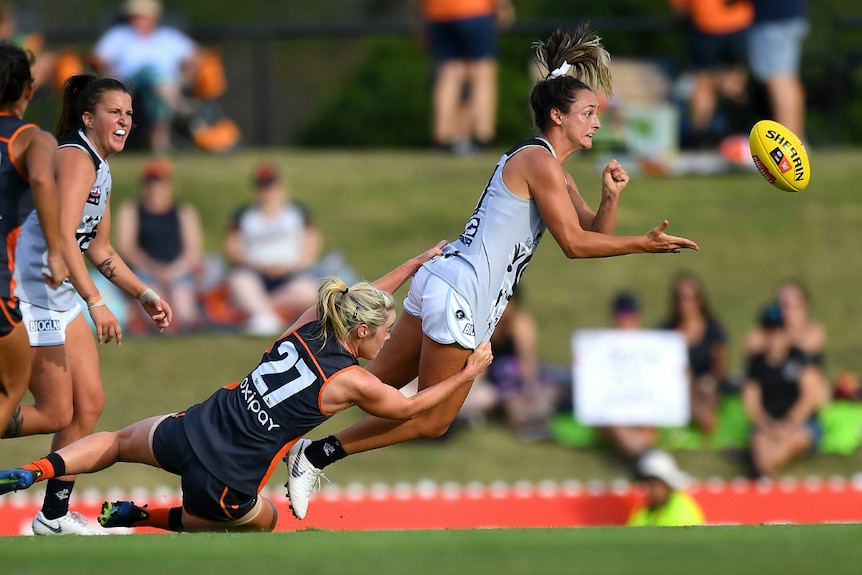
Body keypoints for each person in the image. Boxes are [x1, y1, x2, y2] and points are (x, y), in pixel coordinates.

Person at [284, 25, 699, 521]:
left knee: (369, 386)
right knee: (431, 418)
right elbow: (575, 245)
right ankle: (314, 455)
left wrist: (610, 198)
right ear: (557, 115)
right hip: (462, 296)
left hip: (444, 282)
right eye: (588, 113)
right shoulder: (538, 163)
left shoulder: (551, 169)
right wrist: (644, 244)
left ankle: (273, 432)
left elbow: (592, 230)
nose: (596, 122)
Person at [0, 245, 494, 533]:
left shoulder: (309, 324)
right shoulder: (354, 382)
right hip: (227, 479)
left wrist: (411, 266)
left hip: (194, 427)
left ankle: (33, 470)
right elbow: (412, 408)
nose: (389, 339)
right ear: (360, 333)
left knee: (113, 442)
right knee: (266, 520)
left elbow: (359, 300)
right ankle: (142, 516)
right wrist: (467, 374)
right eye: (385, 331)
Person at [5, 74, 173, 536]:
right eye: (115, 112)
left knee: (89, 405)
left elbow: (98, 248)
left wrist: (143, 294)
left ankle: (52, 517)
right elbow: (62, 237)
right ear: (88, 117)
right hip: (33, 297)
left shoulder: (102, 166)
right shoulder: (75, 157)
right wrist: (97, 301)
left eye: (130, 114)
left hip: (61, 298)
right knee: (57, 413)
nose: (125, 121)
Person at [0, 43, 68, 439]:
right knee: (10, 389)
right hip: (1, 289)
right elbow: (43, 178)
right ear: (29, 90)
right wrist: (56, 252)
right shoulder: (32, 139)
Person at [223, 162, 322, 337]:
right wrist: (259, 265)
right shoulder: (245, 215)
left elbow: (312, 246)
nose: (268, 192)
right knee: (239, 281)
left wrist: (290, 265)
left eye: (271, 187)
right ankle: (267, 315)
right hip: (255, 273)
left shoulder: (297, 213)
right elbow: (233, 248)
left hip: (290, 275)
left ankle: (263, 313)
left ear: (280, 187)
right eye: (263, 188)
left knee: (309, 290)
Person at [90, 0, 200, 154]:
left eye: (141, 16)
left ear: (154, 17)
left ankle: (159, 146)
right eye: (133, 16)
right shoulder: (119, 35)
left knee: (158, 89)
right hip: (129, 82)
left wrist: (184, 79)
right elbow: (98, 59)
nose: (136, 20)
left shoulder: (168, 36)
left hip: (167, 85)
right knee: (151, 71)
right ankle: (179, 108)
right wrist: (109, 77)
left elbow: (195, 56)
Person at [456, 286, 563, 439]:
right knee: (475, 396)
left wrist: (528, 392)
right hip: (491, 382)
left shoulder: (520, 324)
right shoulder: (484, 323)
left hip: (515, 384)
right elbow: (478, 367)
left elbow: (528, 364)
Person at [115, 157, 204, 332]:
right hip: (144, 272)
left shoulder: (183, 212)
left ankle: (186, 323)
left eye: (160, 183)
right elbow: (127, 248)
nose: (155, 189)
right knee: (154, 298)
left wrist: (174, 271)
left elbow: (193, 250)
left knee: (183, 302)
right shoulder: (131, 210)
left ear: (169, 186)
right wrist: (155, 270)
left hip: (177, 272)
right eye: (151, 183)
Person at [417, 0, 515, 154]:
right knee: (483, 74)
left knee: (449, 74)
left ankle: (442, 137)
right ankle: (484, 136)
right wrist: (503, 7)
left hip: (438, 13)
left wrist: (420, 18)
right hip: (474, 11)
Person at [741, 301, 825, 479]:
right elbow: (752, 403)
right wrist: (768, 425)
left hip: (799, 423)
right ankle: (766, 474)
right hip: (768, 424)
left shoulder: (800, 358)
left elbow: (809, 398)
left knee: (792, 441)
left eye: (779, 329)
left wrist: (788, 423)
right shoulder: (756, 364)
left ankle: (764, 471)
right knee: (760, 442)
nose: (774, 335)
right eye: (769, 329)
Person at [670, 0, 753, 148]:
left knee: (703, 81)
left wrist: (681, 9)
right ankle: (738, 133)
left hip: (706, 21)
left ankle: (702, 136)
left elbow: (681, 8)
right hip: (739, 19)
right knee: (734, 79)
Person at [594, 291, 660, 465]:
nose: (625, 322)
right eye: (622, 317)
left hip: (642, 408)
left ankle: (644, 459)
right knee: (616, 423)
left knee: (648, 425)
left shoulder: (653, 350)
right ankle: (648, 460)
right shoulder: (598, 348)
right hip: (611, 413)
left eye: (631, 317)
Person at [659, 272, 729, 435]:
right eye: (679, 298)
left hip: (706, 385)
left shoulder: (713, 329)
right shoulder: (665, 330)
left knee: (706, 418)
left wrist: (708, 381)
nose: (684, 303)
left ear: (699, 300)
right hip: (676, 386)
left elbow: (720, 362)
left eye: (689, 298)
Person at [746, 0, 808, 141]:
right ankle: (796, 139)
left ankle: (788, 142)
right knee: (787, 78)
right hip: (790, 13)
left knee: (778, 80)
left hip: (772, 17)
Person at [626, 449, 705, 527]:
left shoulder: (683, 514)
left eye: (655, 484)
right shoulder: (645, 510)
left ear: (667, 484)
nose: (651, 490)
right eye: (649, 483)